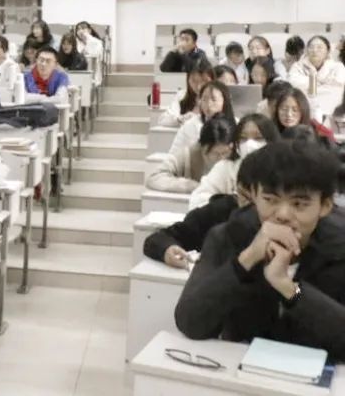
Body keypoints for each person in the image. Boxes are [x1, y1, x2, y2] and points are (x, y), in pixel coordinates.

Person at [174, 141, 345, 360]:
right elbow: (190, 321)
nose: (282, 215)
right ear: (253, 195)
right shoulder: (227, 237)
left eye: (299, 204)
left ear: (325, 206)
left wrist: (290, 289)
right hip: (236, 372)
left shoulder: (339, 248)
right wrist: (245, 261)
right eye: (270, 200)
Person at [145, 153, 261, 270]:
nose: (247, 205)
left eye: (256, 201)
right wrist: (167, 249)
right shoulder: (221, 211)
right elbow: (158, 238)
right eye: (243, 195)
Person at [189, 113, 279, 210]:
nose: (249, 144)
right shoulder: (225, 169)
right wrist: (230, 203)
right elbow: (198, 200)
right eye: (243, 138)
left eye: (258, 138)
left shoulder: (282, 171)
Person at [149, 115, 235, 194]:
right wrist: (189, 185)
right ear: (203, 148)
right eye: (216, 154)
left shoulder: (235, 155)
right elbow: (154, 178)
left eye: (225, 153)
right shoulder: (188, 154)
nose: (221, 158)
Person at [166, 80, 235, 158]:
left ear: (225, 101)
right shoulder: (190, 125)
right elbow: (173, 155)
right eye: (204, 99)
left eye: (213, 99)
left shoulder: (236, 123)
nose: (208, 104)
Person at [158, 57, 215, 127]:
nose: (199, 87)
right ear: (188, 80)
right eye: (194, 81)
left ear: (212, 79)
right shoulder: (182, 95)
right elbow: (163, 120)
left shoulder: (218, 96)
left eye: (204, 81)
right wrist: (181, 119)